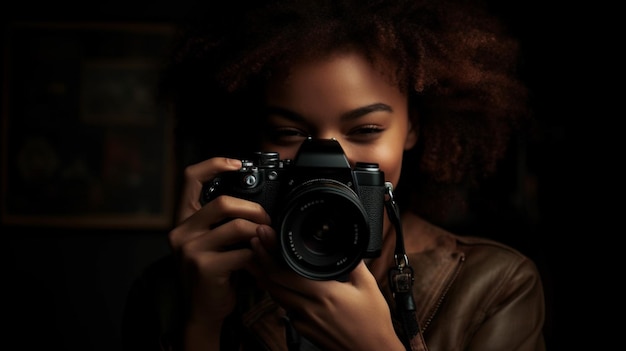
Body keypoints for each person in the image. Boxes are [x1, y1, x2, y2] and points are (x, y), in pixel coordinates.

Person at [122, 0, 546, 350]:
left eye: (365, 131)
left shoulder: (494, 286)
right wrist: (200, 324)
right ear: (253, 141)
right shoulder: (177, 288)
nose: (330, 159)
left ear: (412, 128)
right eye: (289, 133)